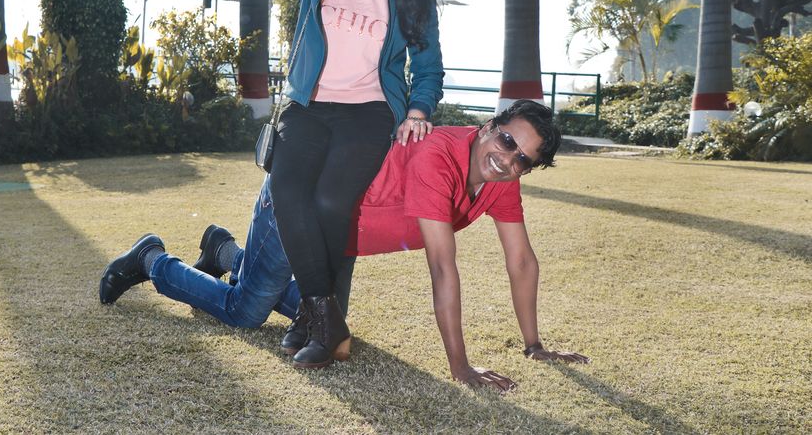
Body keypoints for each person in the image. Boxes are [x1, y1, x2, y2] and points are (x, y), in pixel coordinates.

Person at [100, 100, 589, 390]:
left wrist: (535, 347)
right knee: (246, 311)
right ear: (487, 128)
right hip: (300, 207)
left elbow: (521, 261)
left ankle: (226, 252)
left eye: (523, 159)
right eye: (506, 141)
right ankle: (153, 259)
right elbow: (443, 268)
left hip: (337, 240)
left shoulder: (501, 179)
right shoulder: (439, 157)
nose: (508, 160)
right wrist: (459, 367)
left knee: (326, 324)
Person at [165, 0, 444, 368]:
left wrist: (419, 109)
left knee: (333, 200)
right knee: (289, 192)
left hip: (369, 111)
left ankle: (311, 320)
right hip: (307, 106)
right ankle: (323, 319)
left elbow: (426, 66)